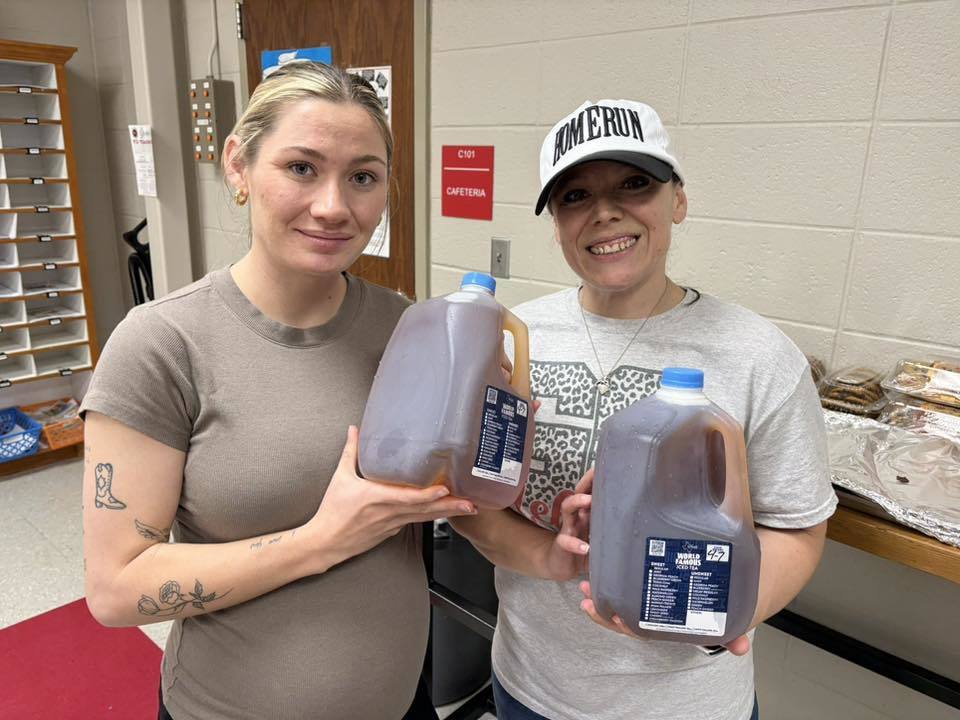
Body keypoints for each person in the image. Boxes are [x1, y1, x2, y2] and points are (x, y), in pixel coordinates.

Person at [80, 61, 475, 720]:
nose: (333, 206)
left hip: (402, 701)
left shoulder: (405, 324)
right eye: (301, 168)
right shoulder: (161, 344)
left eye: (363, 177)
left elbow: (435, 492)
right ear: (239, 164)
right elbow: (116, 589)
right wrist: (320, 540)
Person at [451, 99, 837, 720]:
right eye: (575, 196)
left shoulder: (758, 355)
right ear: (555, 222)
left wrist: (716, 618)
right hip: (531, 687)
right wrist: (549, 556)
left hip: (687, 706)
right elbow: (473, 499)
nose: (605, 212)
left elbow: (797, 528)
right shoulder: (512, 337)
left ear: (677, 201)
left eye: (635, 184)